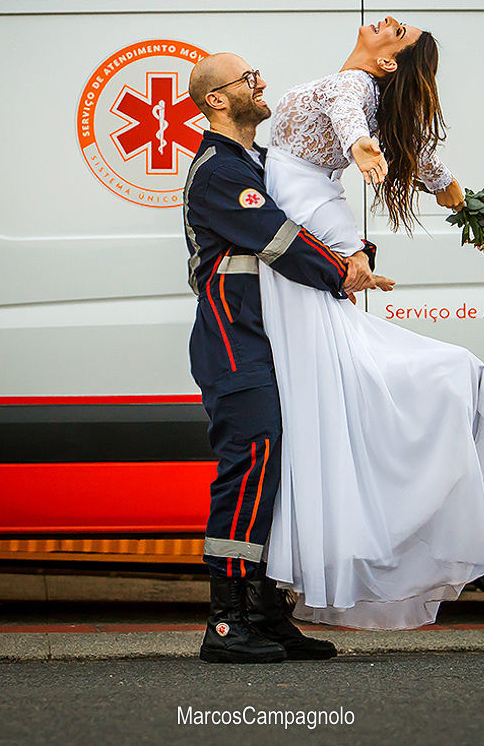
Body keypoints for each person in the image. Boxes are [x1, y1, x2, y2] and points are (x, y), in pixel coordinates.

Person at [260, 16, 484, 630]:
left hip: (303, 202)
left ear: (388, 62)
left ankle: (356, 499)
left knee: (325, 361)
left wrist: (360, 148)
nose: (390, 22)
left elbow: (351, 118)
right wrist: (469, 208)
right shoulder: (365, 91)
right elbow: (423, 163)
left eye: (399, 32)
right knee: (329, 356)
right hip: (311, 204)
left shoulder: (354, 86)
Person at [180, 52, 388, 663]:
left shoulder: (260, 163)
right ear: (217, 99)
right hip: (234, 340)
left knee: (282, 471)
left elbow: (311, 212)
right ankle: (227, 624)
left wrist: (357, 250)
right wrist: (342, 271)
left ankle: (267, 615)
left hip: (267, 339)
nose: (261, 82)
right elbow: (281, 238)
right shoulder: (220, 170)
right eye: (248, 79)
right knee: (251, 465)